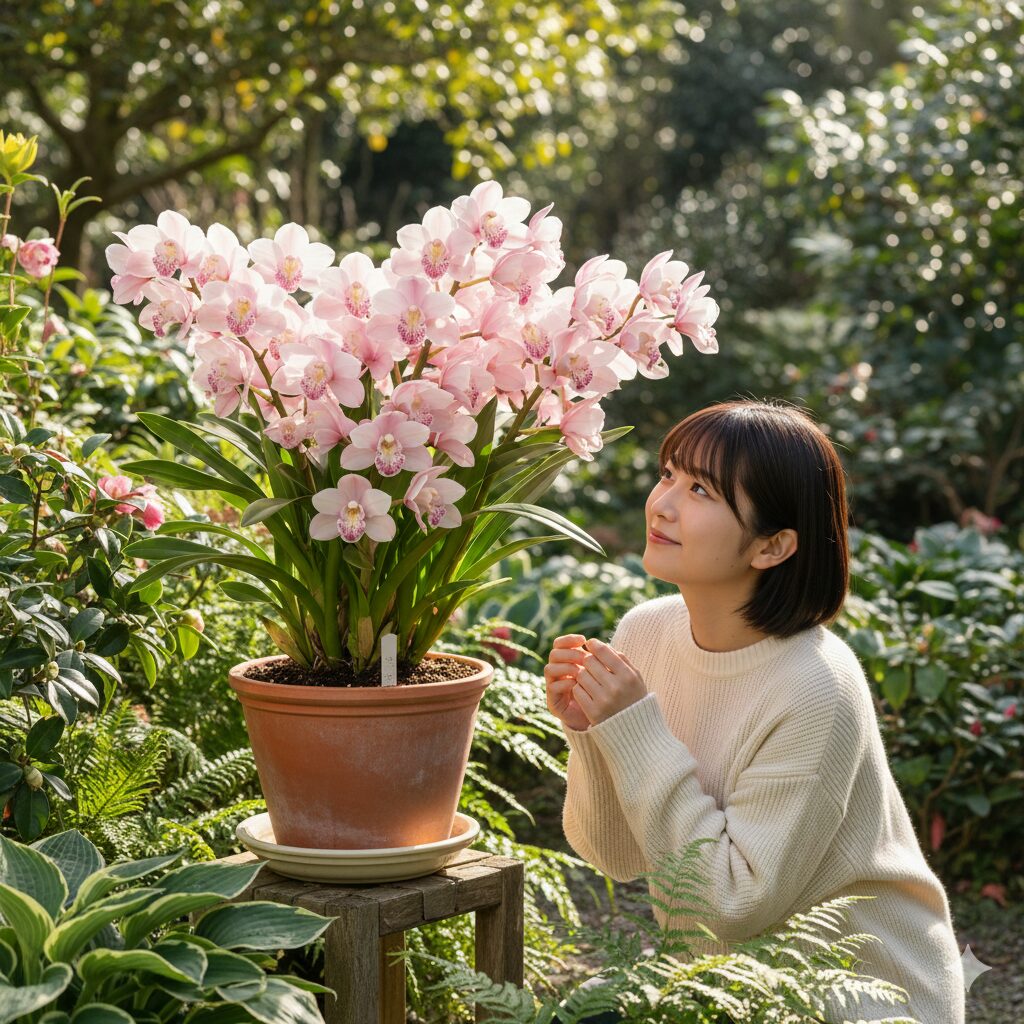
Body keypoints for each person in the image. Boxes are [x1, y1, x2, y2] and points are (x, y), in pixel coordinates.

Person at [545, 399, 966, 1023]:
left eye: (700, 490)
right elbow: (616, 856)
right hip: (729, 988)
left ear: (772, 546)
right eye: (667, 474)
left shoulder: (815, 685)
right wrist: (591, 732)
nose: (662, 504)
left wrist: (634, 728)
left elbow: (731, 902)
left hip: (856, 998)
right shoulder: (646, 634)